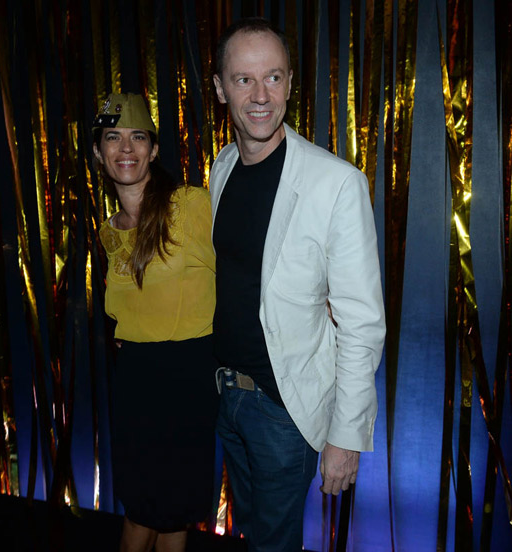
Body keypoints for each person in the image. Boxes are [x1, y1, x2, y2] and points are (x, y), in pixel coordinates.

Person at [209, 17, 386, 551]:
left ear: (290, 83)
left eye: (275, 78)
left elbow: (362, 322)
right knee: (251, 534)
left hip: (283, 410)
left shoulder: (335, 183)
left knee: (273, 544)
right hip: (225, 398)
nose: (261, 95)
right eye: (243, 80)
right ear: (220, 88)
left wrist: (345, 437)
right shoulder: (221, 166)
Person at [93, 93, 218, 552]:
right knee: (142, 508)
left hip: (186, 380)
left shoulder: (191, 206)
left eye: (137, 137)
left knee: (171, 514)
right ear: (98, 152)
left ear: (155, 149)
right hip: (135, 385)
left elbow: (247, 272)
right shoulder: (109, 230)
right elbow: (121, 311)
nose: (126, 149)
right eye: (113, 137)